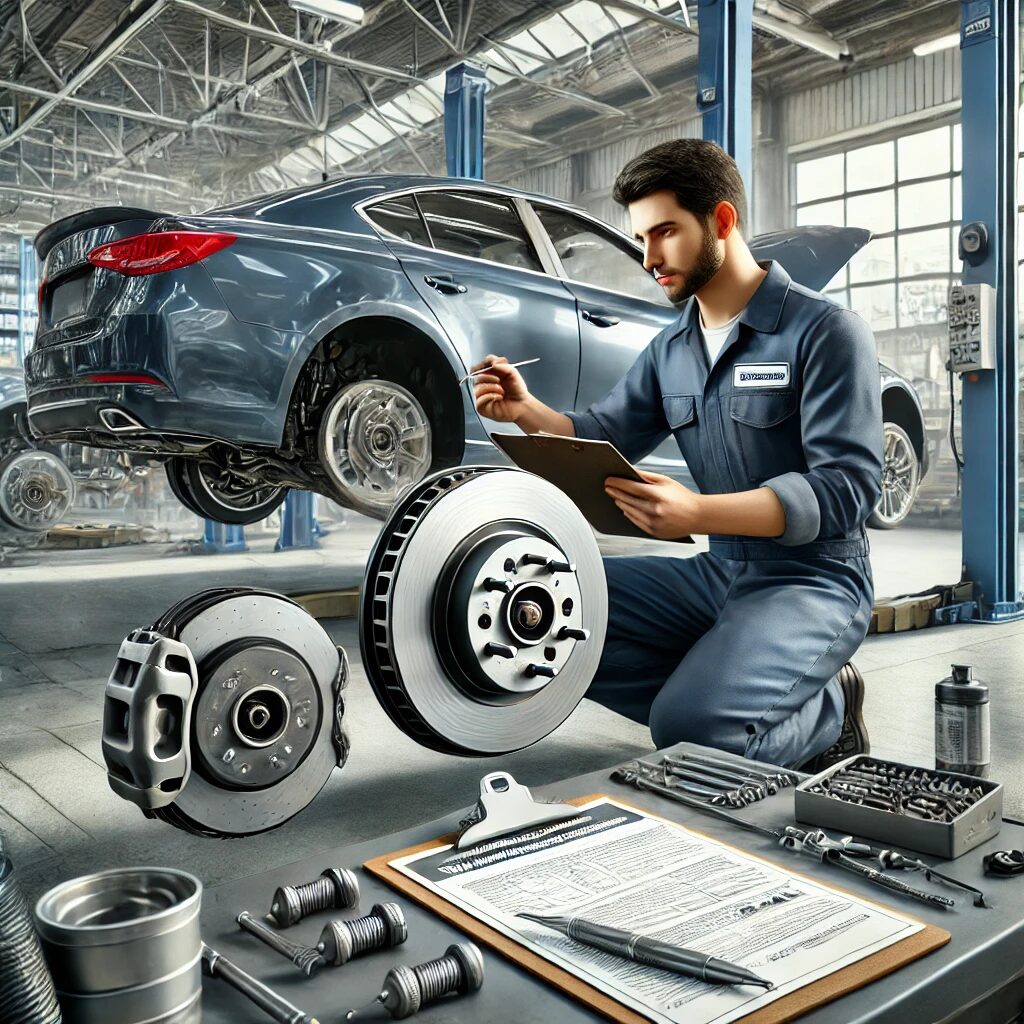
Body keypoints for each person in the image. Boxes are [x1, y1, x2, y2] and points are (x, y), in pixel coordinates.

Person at [471, 138, 882, 771]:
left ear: (721, 220)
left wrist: (698, 513)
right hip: (720, 575)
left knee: (694, 733)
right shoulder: (673, 350)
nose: (649, 256)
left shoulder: (825, 330)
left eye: (664, 232)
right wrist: (525, 411)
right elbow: (602, 433)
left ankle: (827, 709)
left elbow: (848, 487)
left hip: (815, 579)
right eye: (640, 238)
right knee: (545, 614)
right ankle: (731, 694)